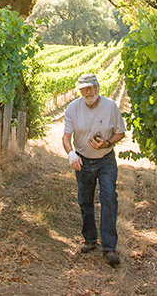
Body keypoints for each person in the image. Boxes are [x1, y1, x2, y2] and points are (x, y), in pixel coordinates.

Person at [62, 72, 125, 267]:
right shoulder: (73, 108)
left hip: (105, 159)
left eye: (91, 87)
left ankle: (109, 247)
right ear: (80, 91)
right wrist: (71, 154)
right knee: (85, 200)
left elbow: (120, 133)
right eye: (84, 89)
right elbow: (66, 137)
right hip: (82, 160)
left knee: (108, 197)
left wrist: (107, 143)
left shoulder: (110, 106)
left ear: (97, 87)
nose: (88, 92)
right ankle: (90, 239)